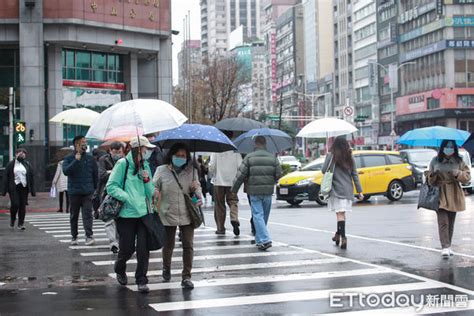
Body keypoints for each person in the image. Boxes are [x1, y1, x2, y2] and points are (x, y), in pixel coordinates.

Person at [106, 136, 156, 293]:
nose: (147, 152)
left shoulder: (145, 165)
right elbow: (111, 186)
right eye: (145, 149)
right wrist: (127, 198)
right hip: (126, 215)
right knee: (127, 249)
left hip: (143, 214)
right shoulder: (123, 164)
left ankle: (141, 279)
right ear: (137, 150)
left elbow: (151, 192)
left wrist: (147, 180)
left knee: (143, 249)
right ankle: (120, 267)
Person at [153, 143, 202, 290]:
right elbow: (154, 187)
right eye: (178, 155)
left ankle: (186, 276)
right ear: (171, 156)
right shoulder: (161, 170)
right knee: (169, 245)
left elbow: (197, 195)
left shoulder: (192, 171)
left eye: (184, 156)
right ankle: (166, 267)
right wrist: (154, 191)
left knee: (188, 245)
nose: (181, 158)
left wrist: (196, 189)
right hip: (168, 212)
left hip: (187, 213)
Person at [232, 136, 282, 250]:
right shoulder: (273, 158)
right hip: (268, 191)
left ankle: (264, 240)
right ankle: (261, 240)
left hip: (254, 192)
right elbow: (279, 175)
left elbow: (240, 175)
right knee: (263, 216)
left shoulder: (249, 157)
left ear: (256, 144)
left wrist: (234, 190)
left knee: (258, 215)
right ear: (265, 144)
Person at [426, 140, 471, 258]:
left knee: (451, 222)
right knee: (443, 221)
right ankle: (445, 247)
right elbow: (429, 179)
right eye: (447, 146)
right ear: (442, 148)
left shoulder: (459, 160)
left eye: (451, 146)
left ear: (454, 148)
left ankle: (448, 245)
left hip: (454, 193)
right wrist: (433, 174)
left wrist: (458, 173)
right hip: (439, 192)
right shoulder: (435, 160)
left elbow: (467, 177)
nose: (449, 148)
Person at [322, 136, 363, 250]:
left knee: (339, 215)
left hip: (336, 190)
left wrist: (327, 157)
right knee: (342, 214)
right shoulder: (349, 156)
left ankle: (343, 237)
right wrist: (359, 191)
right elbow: (354, 174)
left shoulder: (331, 156)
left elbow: (323, 170)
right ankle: (338, 235)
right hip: (347, 190)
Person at [63, 136, 98, 246]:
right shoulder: (69, 158)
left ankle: (89, 236)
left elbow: (95, 174)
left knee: (87, 214)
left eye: (85, 142)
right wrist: (76, 160)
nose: (84, 144)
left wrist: (94, 189)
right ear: (76, 145)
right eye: (82, 142)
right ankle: (74, 236)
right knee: (74, 215)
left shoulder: (90, 158)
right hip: (74, 192)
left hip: (87, 191)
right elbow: (66, 171)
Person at [94, 141, 126, 254]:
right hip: (107, 193)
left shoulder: (125, 161)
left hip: (121, 193)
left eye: (119, 152)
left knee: (120, 219)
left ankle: (119, 241)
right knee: (109, 219)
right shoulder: (103, 160)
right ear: (110, 151)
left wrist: (111, 173)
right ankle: (113, 243)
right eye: (115, 152)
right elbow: (102, 175)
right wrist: (115, 173)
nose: (117, 154)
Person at [209, 131, 243, 236]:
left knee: (219, 205)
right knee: (233, 201)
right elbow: (240, 166)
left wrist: (213, 174)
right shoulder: (235, 149)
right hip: (232, 182)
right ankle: (234, 218)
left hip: (218, 181)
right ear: (232, 136)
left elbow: (212, 165)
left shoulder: (216, 148)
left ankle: (220, 228)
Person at [2, 147, 36, 230]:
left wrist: (33, 191)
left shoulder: (27, 164)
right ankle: (12, 219)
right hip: (14, 187)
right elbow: (5, 177)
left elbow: (31, 177)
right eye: (20, 153)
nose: (22, 154)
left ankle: (21, 223)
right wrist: (3, 190)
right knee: (15, 204)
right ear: (16, 154)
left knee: (22, 205)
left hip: (24, 187)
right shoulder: (11, 164)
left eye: (24, 153)